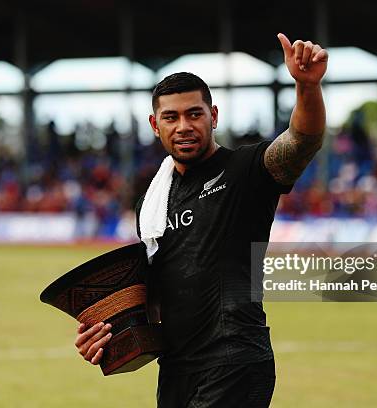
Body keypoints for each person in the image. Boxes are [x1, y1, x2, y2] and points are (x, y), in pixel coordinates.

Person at [74, 33, 328, 407]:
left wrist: (307, 87)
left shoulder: (245, 171)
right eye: (170, 117)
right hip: (176, 368)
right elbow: (158, 296)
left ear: (213, 115)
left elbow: (301, 140)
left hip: (235, 362)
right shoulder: (152, 202)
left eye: (194, 113)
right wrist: (108, 327)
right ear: (154, 124)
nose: (183, 126)